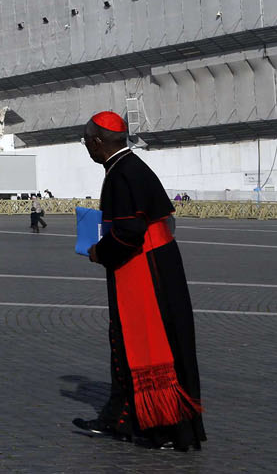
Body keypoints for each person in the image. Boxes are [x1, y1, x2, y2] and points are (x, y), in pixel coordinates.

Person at [73, 111, 204, 451]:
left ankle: (155, 427)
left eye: (87, 141)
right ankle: (125, 418)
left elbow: (129, 231)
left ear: (99, 142)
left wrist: (100, 252)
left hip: (143, 270)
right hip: (159, 262)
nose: (87, 147)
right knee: (155, 345)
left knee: (140, 342)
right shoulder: (133, 167)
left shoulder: (121, 174)